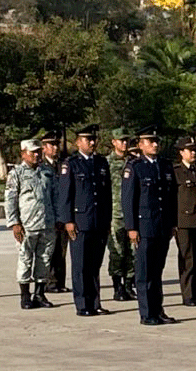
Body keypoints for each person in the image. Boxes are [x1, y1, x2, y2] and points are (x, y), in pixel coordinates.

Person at [122, 126, 178, 325]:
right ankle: (147, 314)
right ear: (140, 144)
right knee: (145, 272)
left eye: (156, 141)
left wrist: (173, 223)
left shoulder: (165, 165)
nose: (155, 145)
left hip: (162, 226)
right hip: (144, 226)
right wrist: (131, 227)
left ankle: (158, 309)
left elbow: (171, 198)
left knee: (157, 271)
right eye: (150, 141)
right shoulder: (135, 167)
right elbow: (128, 200)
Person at [56, 124, 112, 317]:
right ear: (78, 142)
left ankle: (95, 302)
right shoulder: (71, 164)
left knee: (95, 265)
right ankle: (82, 304)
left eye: (93, 139)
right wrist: (68, 221)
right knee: (80, 265)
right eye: (87, 139)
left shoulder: (101, 162)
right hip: (80, 222)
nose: (92, 142)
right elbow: (65, 195)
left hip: (98, 221)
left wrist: (108, 220)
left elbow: (106, 195)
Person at [4, 139, 56, 309]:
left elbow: (56, 195)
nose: (36, 155)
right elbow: (10, 200)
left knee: (45, 260)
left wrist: (59, 219)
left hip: (47, 223)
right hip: (27, 225)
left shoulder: (47, 171)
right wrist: (14, 223)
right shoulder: (16, 173)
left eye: (38, 151)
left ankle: (40, 294)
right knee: (25, 259)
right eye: (32, 152)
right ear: (23, 153)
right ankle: (25, 295)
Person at [174, 135, 196, 306]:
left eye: (195, 150)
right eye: (190, 150)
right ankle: (187, 295)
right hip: (184, 222)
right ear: (182, 152)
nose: (194, 153)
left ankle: (194, 293)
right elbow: (172, 199)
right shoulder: (176, 172)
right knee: (187, 259)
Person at [107, 128, 136, 301]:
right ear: (114, 142)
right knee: (117, 252)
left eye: (126, 140)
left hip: (132, 214)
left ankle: (128, 285)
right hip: (115, 215)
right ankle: (117, 287)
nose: (124, 144)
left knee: (133, 252)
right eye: (121, 140)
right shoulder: (107, 163)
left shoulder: (134, 162)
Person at [39, 131, 70, 293]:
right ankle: (48, 282)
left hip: (63, 214)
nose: (55, 148)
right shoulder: (41, 166)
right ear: (44, 147)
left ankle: (59, 281)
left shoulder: (63, 164)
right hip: (48, 215)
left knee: (61, 249)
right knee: (49, 250)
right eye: (51, 144)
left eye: (57, 144)